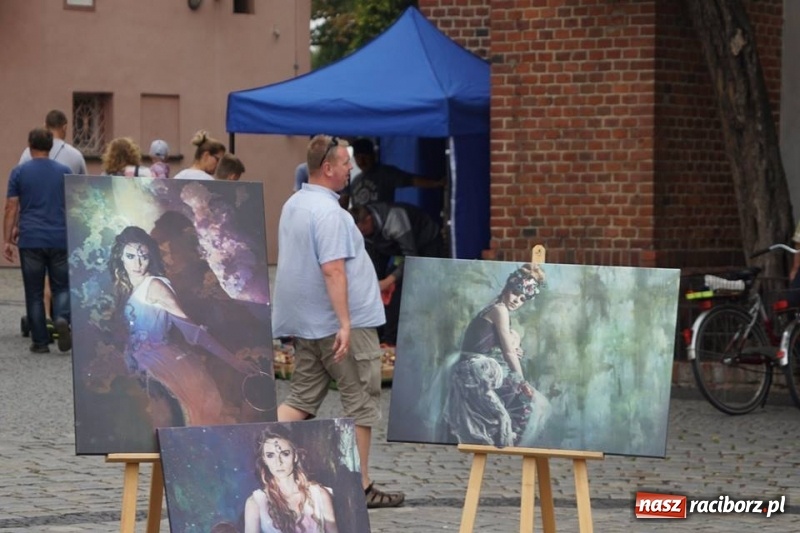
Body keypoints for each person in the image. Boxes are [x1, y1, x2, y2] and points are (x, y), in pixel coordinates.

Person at [272, 135, 404, 509]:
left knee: (301, 399)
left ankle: (253, 449)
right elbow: (332, 270)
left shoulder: (294, 203)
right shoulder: (330, 213)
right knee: (361, 400)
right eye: (346, 163)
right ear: (328, 168)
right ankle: (359, 485)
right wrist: (345, 323)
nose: (351, 169)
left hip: (309, 324)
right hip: (343, 324)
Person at [109, 226, 257, 424]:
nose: (137, 263)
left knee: (165, 420)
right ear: (121, 258)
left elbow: (192, 331)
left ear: (150, 257)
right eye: (130, 256)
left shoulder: (156, 286)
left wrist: (233, 361)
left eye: (143, 256)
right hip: (136, 363)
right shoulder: (128, 289)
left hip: (160, 364)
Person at [444, 264, 550, 447]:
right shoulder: (499, 309)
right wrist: (522, 380)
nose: (517, 300)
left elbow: (501, 345)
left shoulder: (494, 308)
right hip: (475, 368)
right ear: (507, 288)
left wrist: (513, 345)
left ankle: (512, 436)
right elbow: (507, 352)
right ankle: (512, 438)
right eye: (516, 293)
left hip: (477, 365)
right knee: (533, 401)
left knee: (531, 403)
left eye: (523, 299)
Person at [4, 128, 72, 353]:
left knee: (33, 292)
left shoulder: (19, 172)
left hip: (31, 238)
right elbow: (74, 204)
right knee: (61, 286)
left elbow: (11, 206)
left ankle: (41, 341)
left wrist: (7, 238)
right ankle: (61, 318)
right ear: (50, 146)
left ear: (29, 145)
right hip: (60, 237)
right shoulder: (65, 171)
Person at [350, 202, 445, 345]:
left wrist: (388, 281)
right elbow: (373, 260)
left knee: (402, 287)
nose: (359, 234)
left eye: (361, 231)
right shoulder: (363, 231)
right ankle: (379, 336)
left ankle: (394, 340)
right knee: (383, 289)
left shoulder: (394, 219)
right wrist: (376, 283)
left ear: (369, 220)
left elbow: (411, 257)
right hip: (394, 249)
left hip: (426, 243)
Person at [244, 426, 337, 533]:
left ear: (295, 456)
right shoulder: (255, 503)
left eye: (285, 454)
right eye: (270, 455)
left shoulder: (319, 495)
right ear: (264, 460)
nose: (278, 462)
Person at [349, 138, 443, 208]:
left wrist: (436, 183)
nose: (361, 161)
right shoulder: (355, 181)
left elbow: (412, 180)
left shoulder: (385, 173)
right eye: (358, 158)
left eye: (364, 157)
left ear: (373, 155)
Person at [18, 109, 87, 175]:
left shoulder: (28, 153)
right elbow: (85, 184)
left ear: (45, 126)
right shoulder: (76, 155)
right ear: (64, 127)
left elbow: (19, 177)